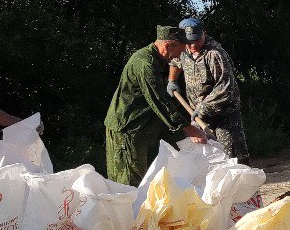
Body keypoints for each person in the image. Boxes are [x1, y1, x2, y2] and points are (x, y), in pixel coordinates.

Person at [104, 26, 206, 186]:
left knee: (147, 178)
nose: (180, 55)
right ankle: (128, 211)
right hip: (128, 129)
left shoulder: (157, 60)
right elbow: (160, 101)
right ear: (168, 45)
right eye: (180, 50)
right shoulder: (145, 64)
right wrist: (189, 129)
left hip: (142, 128)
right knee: (128, 182)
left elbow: (164, 99)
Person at [168, 18, 251, 163]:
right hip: (197, 116)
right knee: (201, 159)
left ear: (203, 34)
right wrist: (172, 81)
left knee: (233, 159)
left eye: (196, 40)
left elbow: (225, 88)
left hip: (224, 116)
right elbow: (175, 63)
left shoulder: (215, 53)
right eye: (189, 42)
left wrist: (203, 108)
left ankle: (241, 185)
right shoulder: (183, 50)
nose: (193, 45)